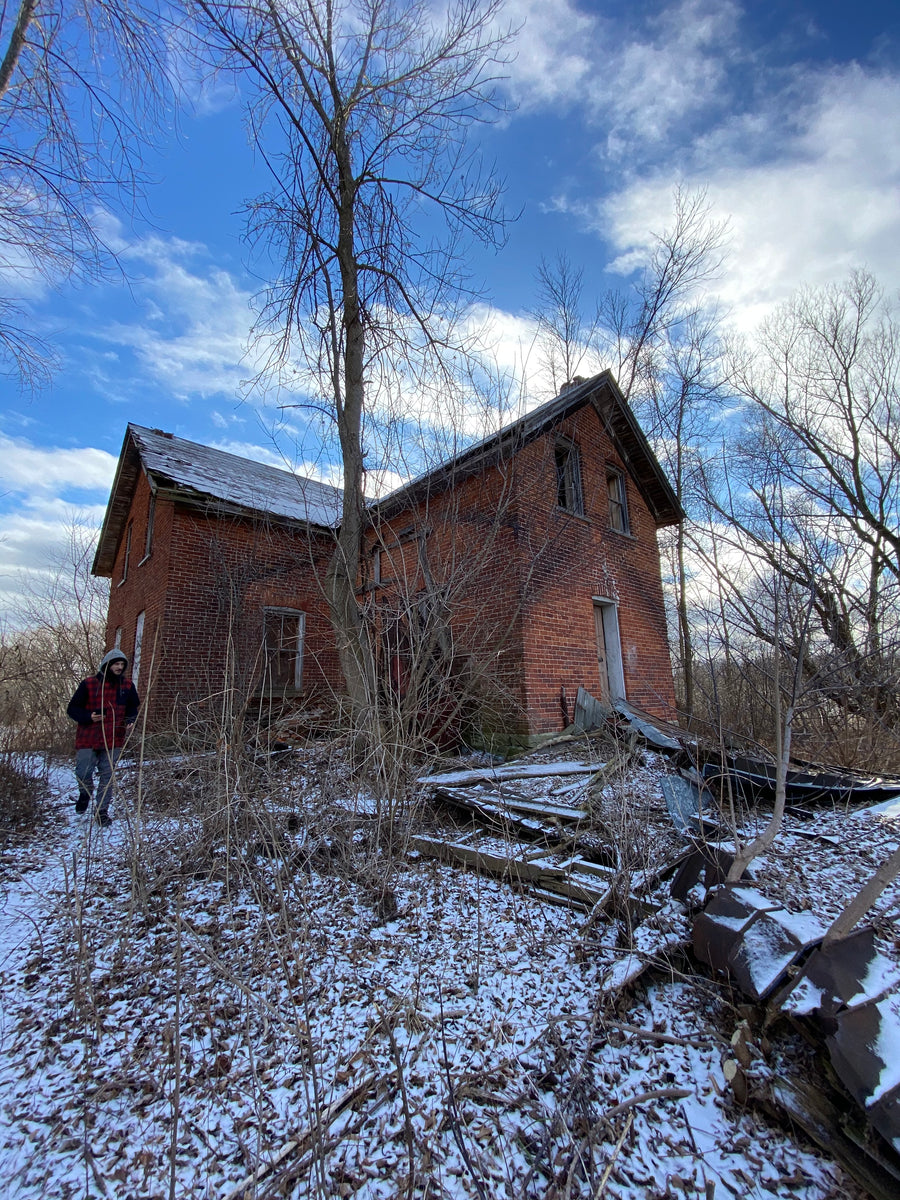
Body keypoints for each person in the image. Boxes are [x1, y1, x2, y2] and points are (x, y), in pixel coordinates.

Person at [67, 649, 140, 826]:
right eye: (116, 664)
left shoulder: (128, 686)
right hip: (88, 736)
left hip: (114, 737)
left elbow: (133, 706)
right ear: (107, 664)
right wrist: (88, 716)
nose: (119, 667)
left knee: (107, 777)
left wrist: (130, 720)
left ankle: (101, 811)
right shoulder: (89, 684)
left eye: (122, 665)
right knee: (83, 772)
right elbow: (72, 709)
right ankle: (85, 792)